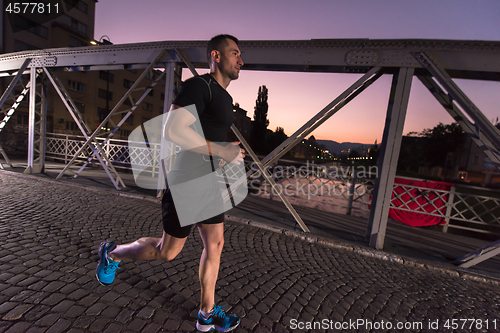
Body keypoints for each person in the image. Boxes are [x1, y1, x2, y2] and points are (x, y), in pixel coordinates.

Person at [96, 34, 245, 332]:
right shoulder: (198, 87)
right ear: (215, 56)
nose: (241, 59)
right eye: (234, 53)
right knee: (168, 251)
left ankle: (206, 313)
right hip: (187, 181)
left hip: (208, 182)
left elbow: (206, 133)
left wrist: (225, 153)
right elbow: (173, 130)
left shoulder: (226, 98)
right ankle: (112, 253)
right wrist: (222, 150)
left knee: (215, 244)